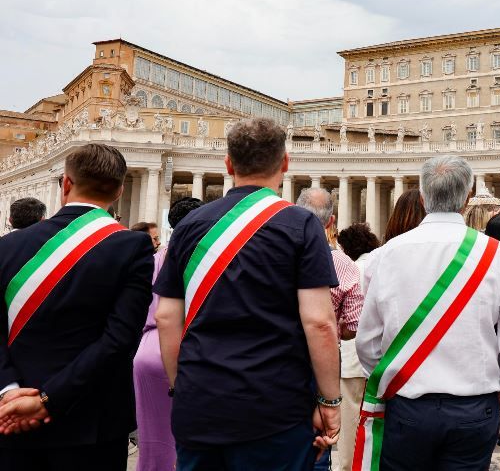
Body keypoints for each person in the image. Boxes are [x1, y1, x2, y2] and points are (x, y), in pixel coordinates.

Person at [154, 118, 342, 471]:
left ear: (228, 164)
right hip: (275, 406)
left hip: (200, 401)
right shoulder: (302, 224)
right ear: (285, 163)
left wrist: (184, 386)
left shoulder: (189, 225)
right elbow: (319, 323)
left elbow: (165, 318)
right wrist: (329, 401)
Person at [355, 155, 500, 471]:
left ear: (423, 198)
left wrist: (394, 375)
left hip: (407, 405)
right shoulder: (494, 253)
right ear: (468, 198)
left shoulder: (389, 253)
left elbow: (367, 341)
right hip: (474, 406)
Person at [0, 143, 154, 471]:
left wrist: (8, 390)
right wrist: (47, 400)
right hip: (91, 420)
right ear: (119, 190)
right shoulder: (133, 246)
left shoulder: (8, 245)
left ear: (66, 183)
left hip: (10, 417)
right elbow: (120, 339)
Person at [133, 196, 202, 471]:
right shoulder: (199, 259)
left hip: (147, 349)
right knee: (191, 443)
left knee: (154, 440)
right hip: (183, 346)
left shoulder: (153, 259)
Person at [334, 222, 380, 471]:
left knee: (350, 427)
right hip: (378, 359)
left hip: (352, 359)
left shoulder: (351, 270)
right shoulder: (380, 264)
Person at [296, 188, 364, 341]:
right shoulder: (345, 264)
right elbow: (354, 325)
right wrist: (336, 329)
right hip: (323, 346)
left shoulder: (273, 252)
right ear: (331, 221)